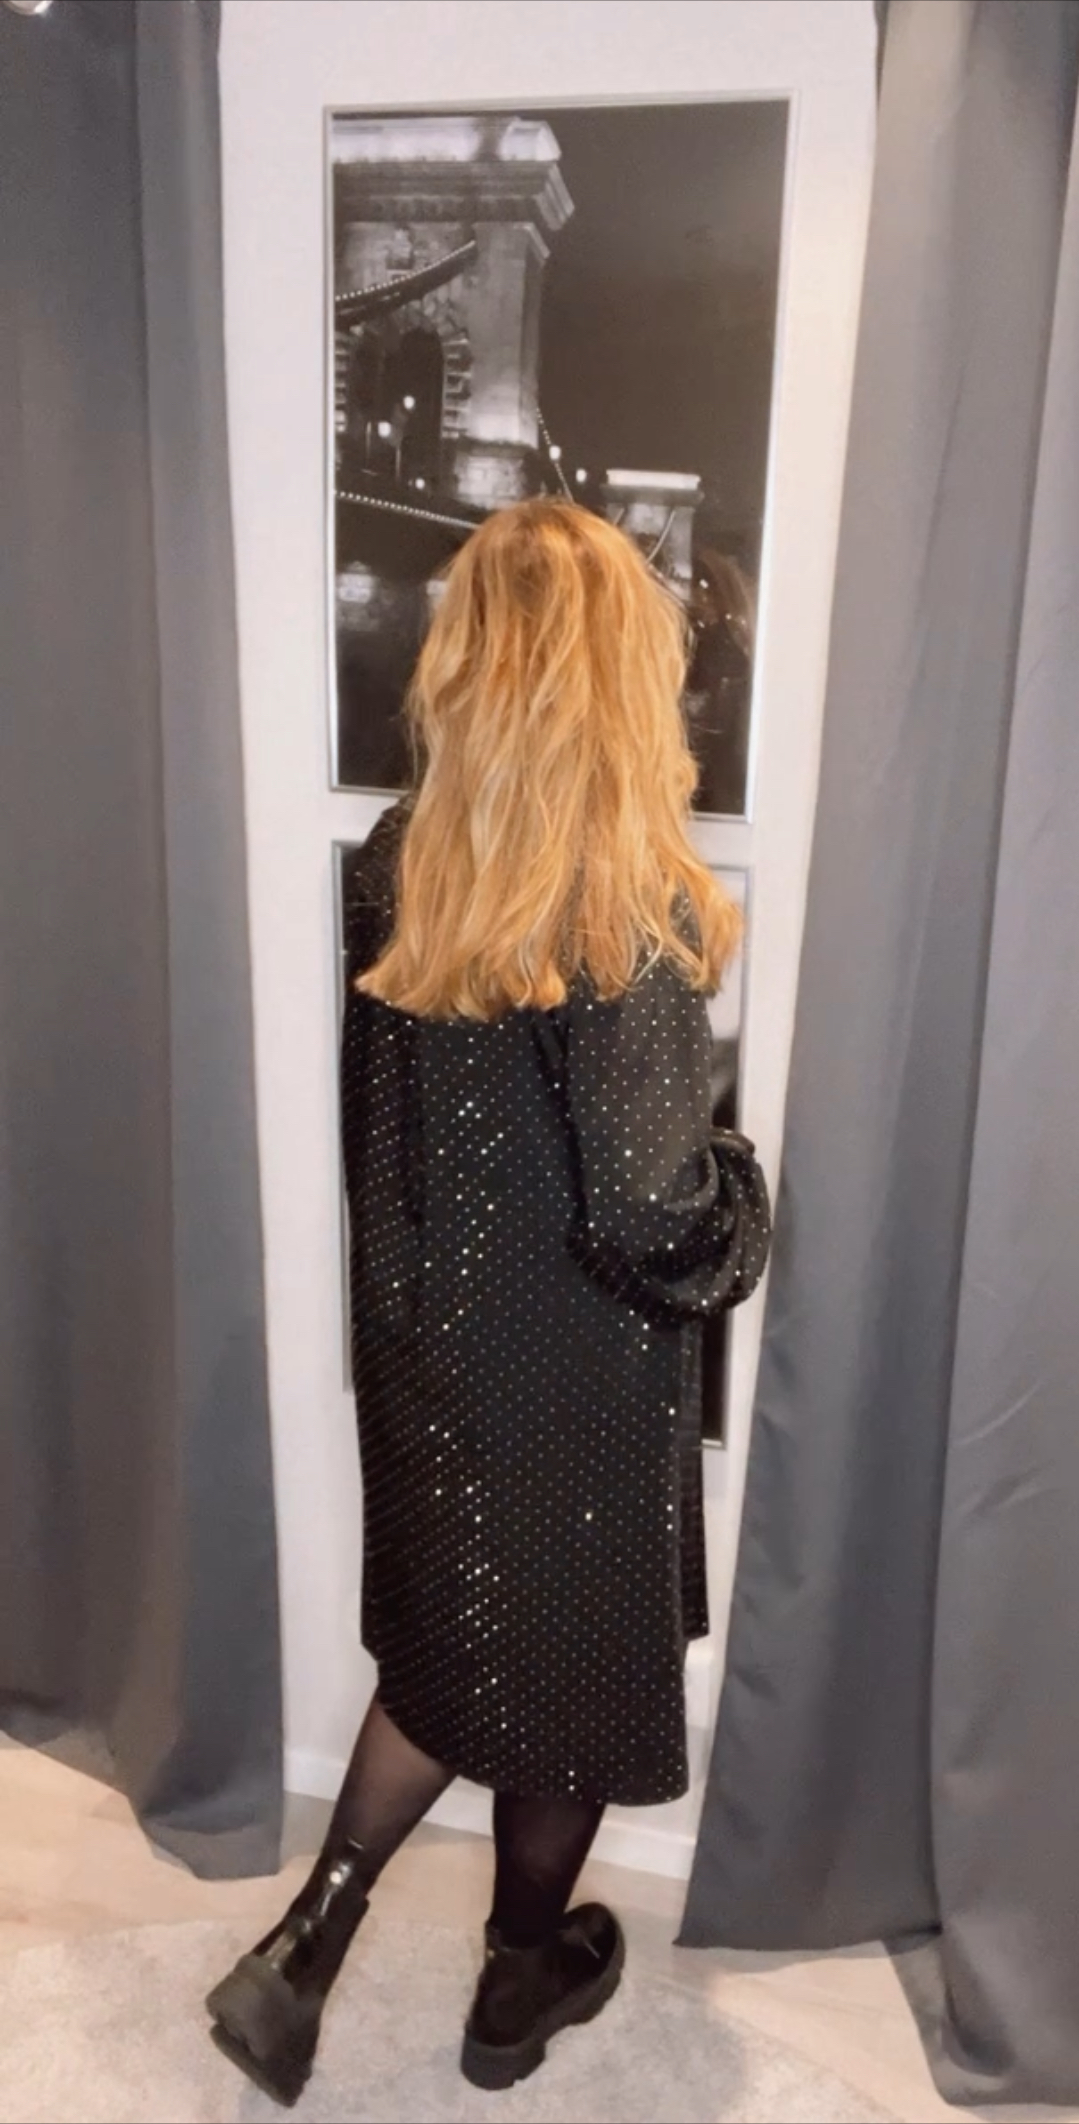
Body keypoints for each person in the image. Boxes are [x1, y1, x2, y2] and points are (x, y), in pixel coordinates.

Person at [205, 499, 771, 2105]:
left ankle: (305, 1944)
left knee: (454, 1649)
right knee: (565, 1682)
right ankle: (520, 1984)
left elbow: (388, 1121)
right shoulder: (626, 905)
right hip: (574, 1366)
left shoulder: (406, 855)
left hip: (430, 1345)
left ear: (472, 661)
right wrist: (741, 1198)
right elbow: (652, 1215)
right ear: (618, 671)